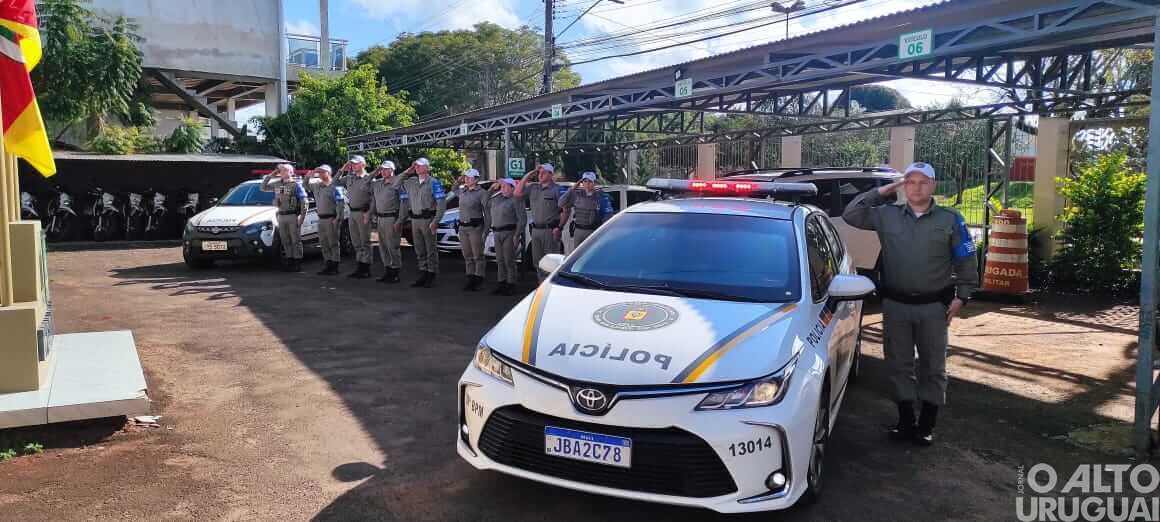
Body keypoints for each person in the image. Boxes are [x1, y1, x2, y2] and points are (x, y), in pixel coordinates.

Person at [842, 161, 980, 446]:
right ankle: (906, 422)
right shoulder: (886, 216)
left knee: (933, 365)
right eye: (911, 182)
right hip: (896, 306)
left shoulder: (950, 219)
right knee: (898, 364)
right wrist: (884, 190)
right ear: (904, 186)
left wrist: (962, 295)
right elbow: (851, 214)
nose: (917, 187)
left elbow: (966, 258)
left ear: (934, 186)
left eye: (923, 182)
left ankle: (926, 426)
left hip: (934, 307)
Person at [397, 158, 447, 287]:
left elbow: (441, 204)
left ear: (427, 168)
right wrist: (408, 171)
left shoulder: (434, 183)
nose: (417, 167)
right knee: (419, 248)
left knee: (430, 249)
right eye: (416, 166)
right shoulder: (410, 182)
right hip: (415, 220)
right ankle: (423, 272)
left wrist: (436, 221)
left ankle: (431, 274)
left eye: (420, 166)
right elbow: (395, 184)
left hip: (428, 220)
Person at [514, 163, 567, 279]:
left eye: (544, 172)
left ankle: (552, 289)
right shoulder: (533, 187)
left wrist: (560, 227)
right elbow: (517, 193)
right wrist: (530, 173)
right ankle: (541, 287)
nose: (540, 174)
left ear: (550, 174)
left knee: (551, 263)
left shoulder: (557, 189)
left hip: (550, 230)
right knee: (538, 262)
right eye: (539, 172)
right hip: (536, 230)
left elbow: (565, 211)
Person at [259, 163, 308, 272]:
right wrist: (272, 174)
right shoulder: (276, 184)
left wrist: (302, 217)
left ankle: (297, 262)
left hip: (292, 215)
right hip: (281, 215)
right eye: (281, 170)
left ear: (291, 172)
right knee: (285, 240)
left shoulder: (295, 185)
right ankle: (290, 261)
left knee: (295, 240)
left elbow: (304, 201)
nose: (282, 172)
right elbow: (262, 187)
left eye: (285, 170)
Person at [335, 155, 374, 279]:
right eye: (352, 164)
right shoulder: (349, 178)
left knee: (365, 241)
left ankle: (366, 268)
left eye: (356, 163)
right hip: (352, 213)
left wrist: (369, 213)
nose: (353, 165)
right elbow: (334, 182)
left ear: (363, 164)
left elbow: (374, 199)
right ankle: (359, 266)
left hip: (363, 213)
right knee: (356, 242)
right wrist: (343, 168)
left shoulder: (369, 179)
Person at [486, 177, 526, 296]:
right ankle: (501, 283)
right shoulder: (496, 198)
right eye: (501, 186)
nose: (502, 188)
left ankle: (511, 284)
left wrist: (517, 234)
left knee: (509, 260)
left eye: (504, 186)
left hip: (509, 232)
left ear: (512, 188)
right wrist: (491, 189)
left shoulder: (516, 200)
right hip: (497, 232)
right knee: (499, 260)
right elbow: (484, 202)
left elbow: (522, 219)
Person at [368, 161, 407, 283]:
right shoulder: (377, 183)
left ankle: (395, 272)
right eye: (382, 169)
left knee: (392, 246)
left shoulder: (398, 183)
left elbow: (404, 202)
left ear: (392, 170)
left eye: (386, 169)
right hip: (380, 219)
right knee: (383, 246)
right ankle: (388, 270)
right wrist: (376, 171)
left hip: (392, 218)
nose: (383, 171)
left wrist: (400, 219)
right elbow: (365, 181)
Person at [305, 164, 345, 275]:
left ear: (329, 173)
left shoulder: (335, 186)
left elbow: (340, 204)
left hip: (331, 218)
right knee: (323, 243)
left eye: (323, 172)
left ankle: (335, 266)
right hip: (321, 219)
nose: (321, 174)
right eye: (320, 172)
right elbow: (305, 185)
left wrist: (338, 218)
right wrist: (309, 176)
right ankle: (328, 264)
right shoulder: (317, 185)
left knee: (333, 243)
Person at [560, 171, 613, 252]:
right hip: (578, 232)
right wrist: (573, 188)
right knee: (578, 257)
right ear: (582, 182)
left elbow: (608, 215)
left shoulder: (601, 196)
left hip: (592, 233)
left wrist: (601, 233)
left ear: (594, 183)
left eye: (590, 181)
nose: (587, 183)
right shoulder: (577, 194)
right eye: (585, 181)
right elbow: (561, 203)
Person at [455, 169, 489, 291]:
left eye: (470, 178)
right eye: (466, 177)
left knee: (477, 255)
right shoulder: (463, 191)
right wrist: (458, 180)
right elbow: (453, 190)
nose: (467, 179)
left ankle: (478, 278)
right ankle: (470, 277)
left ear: (476, 179)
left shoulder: (482, 193)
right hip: (463, 227)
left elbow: (487, 213)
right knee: (467, 254)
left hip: (475, 228)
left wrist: (486, 230)